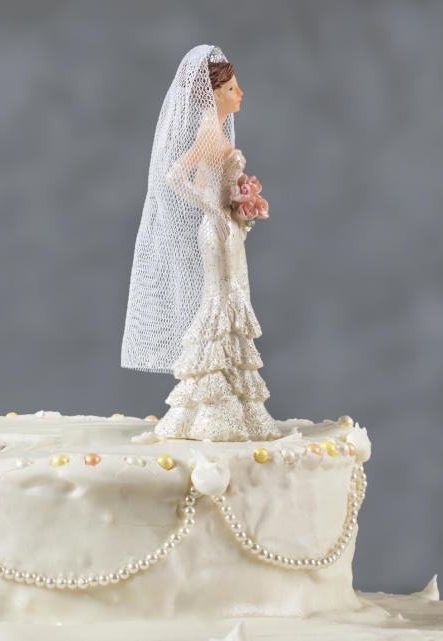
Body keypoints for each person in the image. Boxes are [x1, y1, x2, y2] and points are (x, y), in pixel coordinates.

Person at [121, 45, 277, 441]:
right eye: (232, 88)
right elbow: (175, 176)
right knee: (221, 301)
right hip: (217, 231)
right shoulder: (209, 131)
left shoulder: (217, 129)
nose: (239, 94)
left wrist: (237, 205)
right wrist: (217, 208)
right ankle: (213, 402)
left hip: (227, 229)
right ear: (215, 94)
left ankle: (229, 401)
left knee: (231, 297)